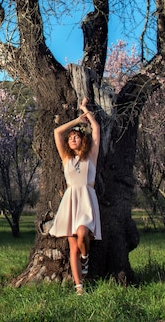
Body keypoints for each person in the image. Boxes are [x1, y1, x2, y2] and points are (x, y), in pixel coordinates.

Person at [48, 98, 101, 295]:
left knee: (82, 233)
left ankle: (86, 258)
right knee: (73, 248)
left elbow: (96, 130)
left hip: (86, 200)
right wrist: (76, 121)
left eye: (76, 136)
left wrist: (85, 110)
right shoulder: (66, 158)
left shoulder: (90, 156)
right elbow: (57, 132)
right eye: (70, 138)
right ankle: (79, 287)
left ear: (82, 140)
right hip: (70, 201)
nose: (72, 139)